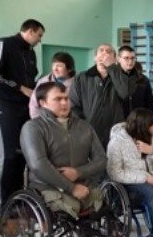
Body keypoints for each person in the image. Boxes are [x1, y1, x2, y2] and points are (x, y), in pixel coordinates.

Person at [0, 19, 45, 216]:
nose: (40, 39)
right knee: (7, 156)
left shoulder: (31, 53)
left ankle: (16, 201)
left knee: (21, 156)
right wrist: (20, 88)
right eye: (39, 35)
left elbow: (31, 80)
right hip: (5, 106)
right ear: (30, 31)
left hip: (25, 108)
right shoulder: (4, 44)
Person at [20, 82, 106, 219]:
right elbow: (38, 165)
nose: (64, 103)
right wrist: (71, 188)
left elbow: (101, 159)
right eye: (58, 99)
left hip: (83, 185)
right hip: (47, 187)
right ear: (43, 103)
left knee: (103, 204)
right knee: (72, 207)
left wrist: (78, 172)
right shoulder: (33, 128)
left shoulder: (84, 127)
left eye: (66, 98)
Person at [107, 108, 153, 237]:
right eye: (152, 124)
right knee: (150, 192)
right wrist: (145, 178)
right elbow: (114, 173)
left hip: (152, 175)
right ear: (142, 127)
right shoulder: (117, 142)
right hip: (129, 181)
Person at [70, 43, 137, 150]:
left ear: (115, 59)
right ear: (95, 58)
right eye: (101, 50)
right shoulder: (81, 78)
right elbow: (73, 106)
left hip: (115, 133)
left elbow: (125, 93)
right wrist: (84, 126)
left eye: (109, 51)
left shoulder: (122, 76)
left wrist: (112, 67)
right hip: (89, 133)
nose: (105, 53)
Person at [29, 52, 75, 119]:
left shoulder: (77, 84)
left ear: (69, 69)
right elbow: (34, 105)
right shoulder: (43, 81)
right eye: (54, 65)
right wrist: (38, 122)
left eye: (60, 66)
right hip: (44, 122)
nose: (55, 69)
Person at [122, 52, 153, 117]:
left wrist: (149, 117)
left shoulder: (145, 80)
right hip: (122, 117)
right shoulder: (120, 79)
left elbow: (150, 102)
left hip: (140, 117)